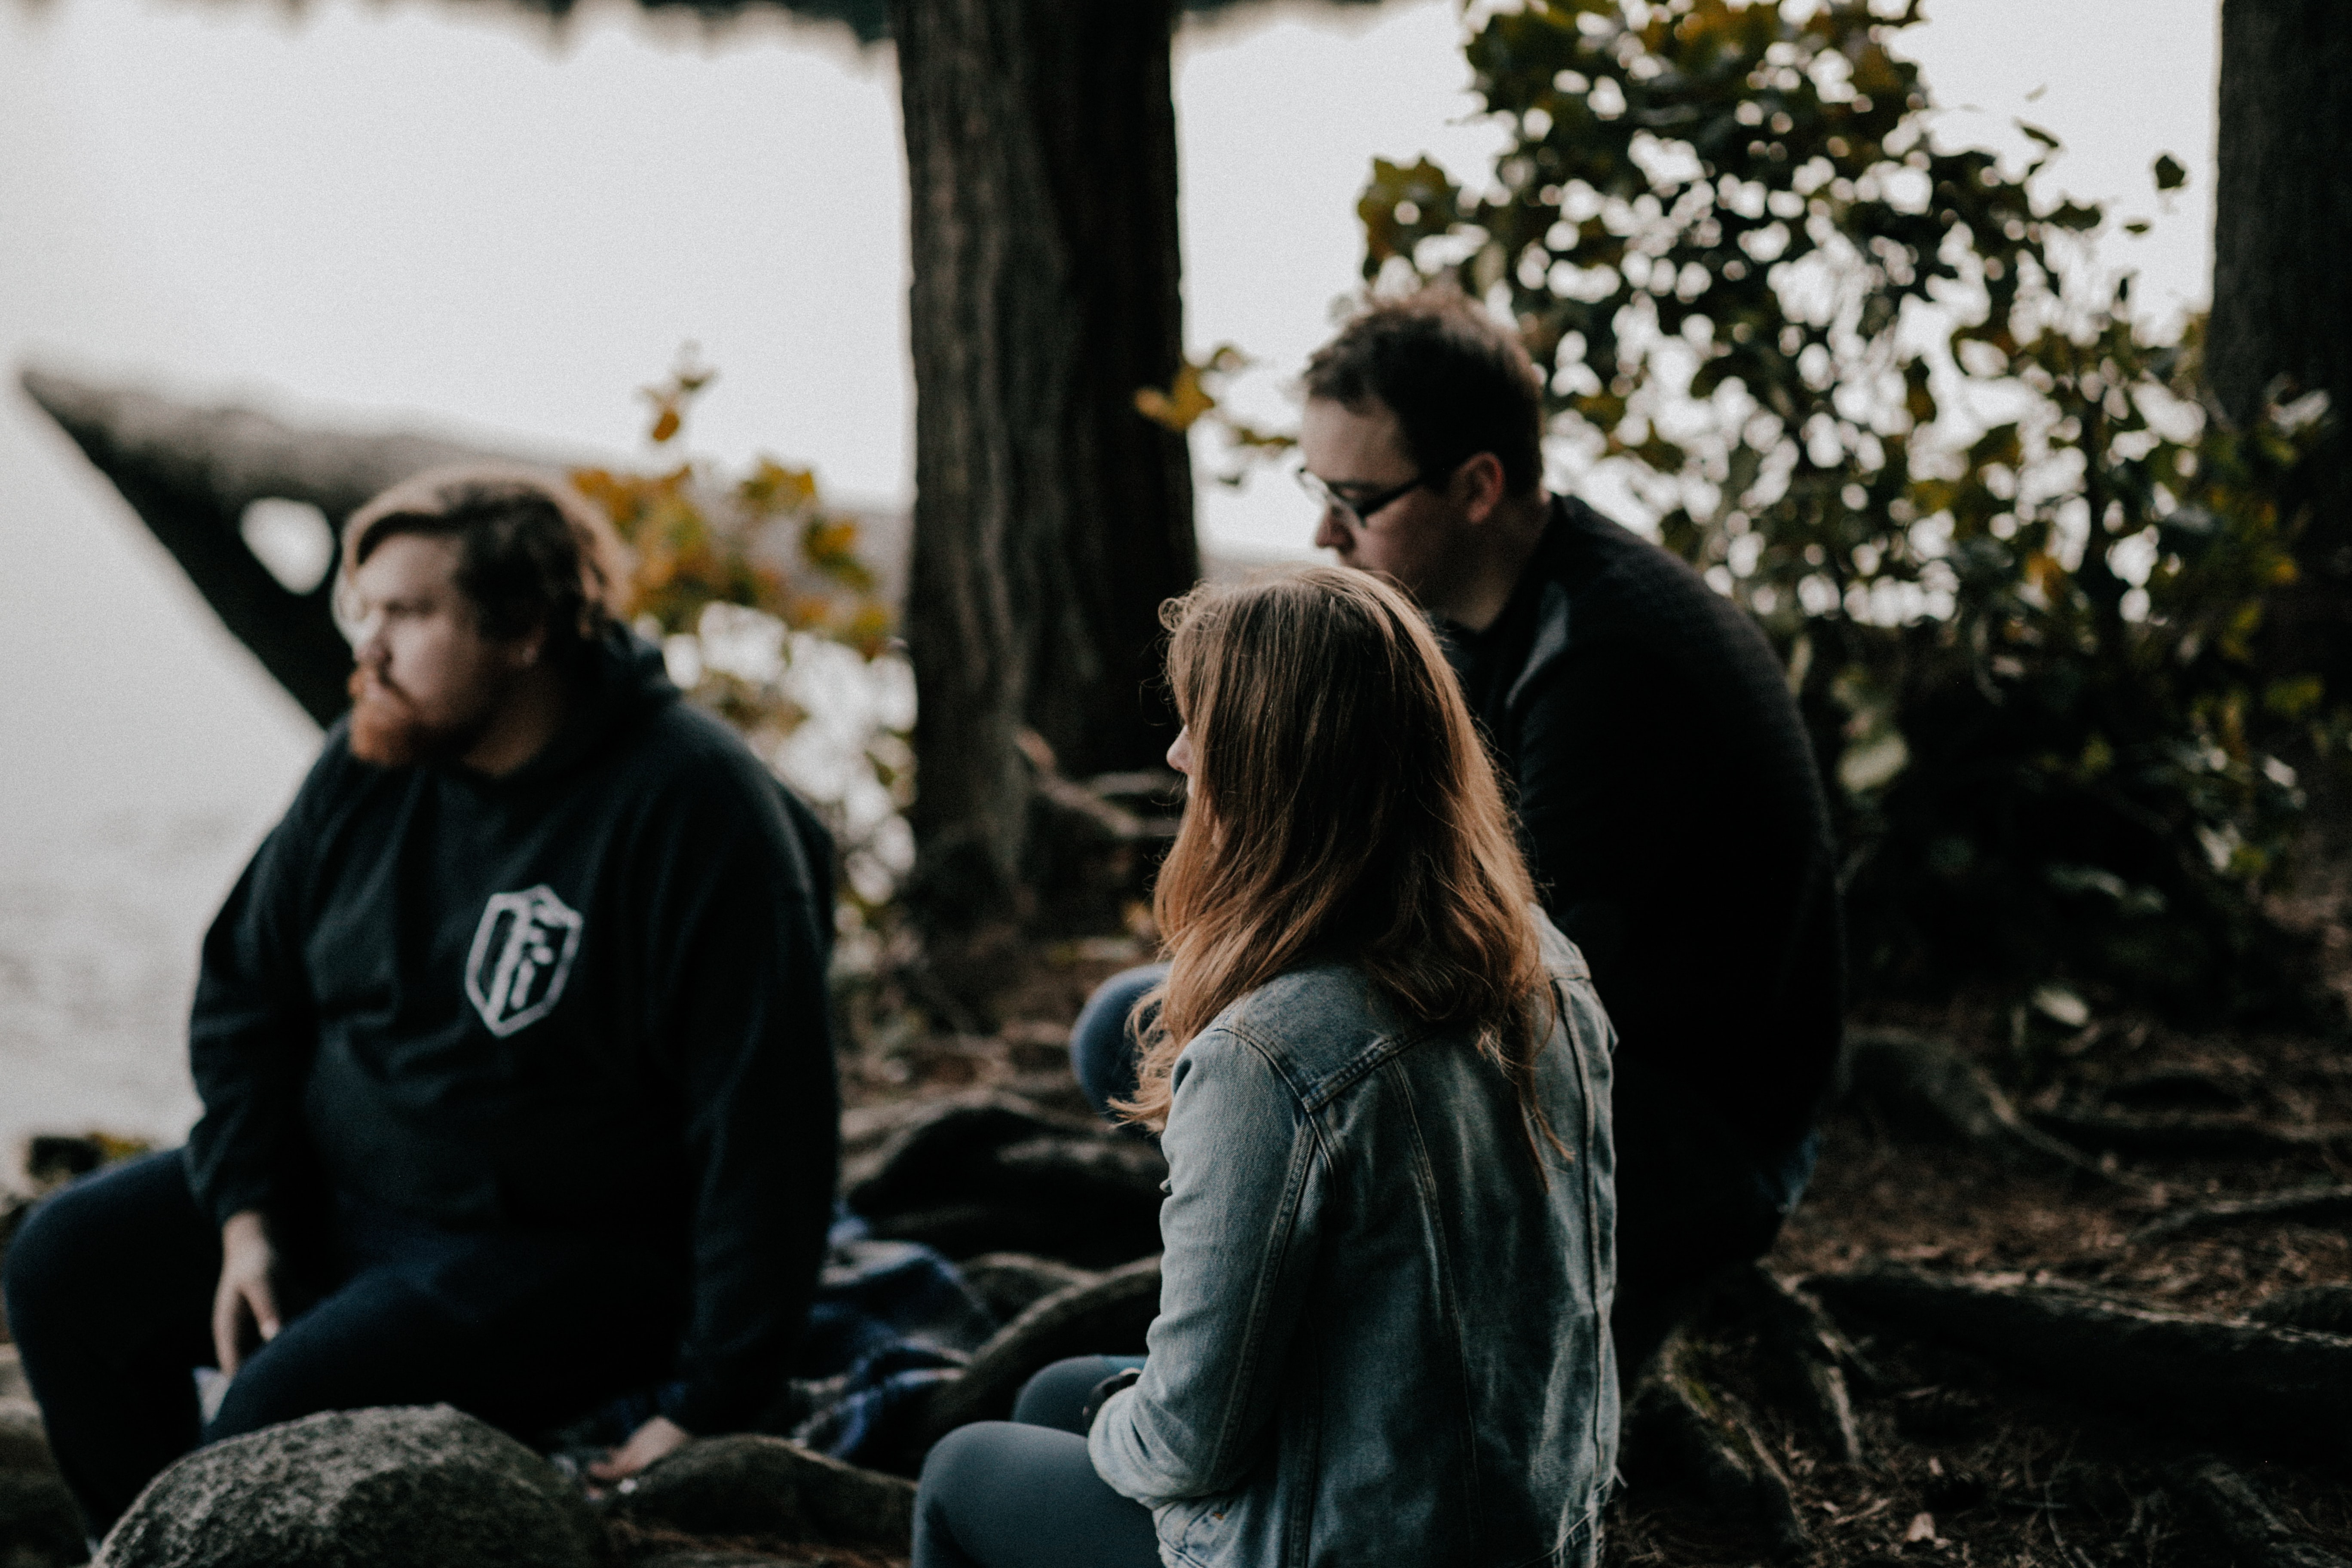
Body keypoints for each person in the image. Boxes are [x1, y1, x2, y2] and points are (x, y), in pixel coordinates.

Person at [2, 467, 840, 1539]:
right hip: (337, 1193)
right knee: (65, 1268)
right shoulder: (377, 755)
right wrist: (248, 1214)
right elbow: (244, 990)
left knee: (272, 1421)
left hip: (554, 1249)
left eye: (409, 614)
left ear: (527, 629)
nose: (370, 648)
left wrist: (711, 1404)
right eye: (368, 611)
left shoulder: (698, 814)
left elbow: (766, 1138)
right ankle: (145, 1546)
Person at [1076, 285, 1842, 1378]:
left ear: (1478, 485)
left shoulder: (1607, 668)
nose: (1324, 534)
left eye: (1358, 500)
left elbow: (1512, 989)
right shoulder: (1480, 615)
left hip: (1684, 1138)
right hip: (1589, 1058)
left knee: (1185, 1035)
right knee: (1140, 1023)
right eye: (1316, 490)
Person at [914, 568, 1618, 1568]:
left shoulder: (1269, 1056)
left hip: (1360, 1546)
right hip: (1527, 1525)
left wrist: (1133, 1412)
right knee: (1047, 1396)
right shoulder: (1543, 961)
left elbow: (1180, 1447)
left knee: (962, 1471)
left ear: (1271, 769)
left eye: (1202, 724)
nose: (1175, 752)